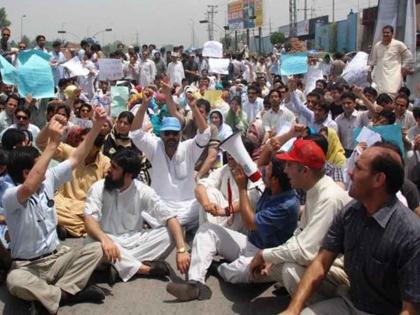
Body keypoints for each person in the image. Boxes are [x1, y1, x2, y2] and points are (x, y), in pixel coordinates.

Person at [281, 143, 420, 315]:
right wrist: (293, 309)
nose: (350, 173)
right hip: (351, 301)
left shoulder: (410, 234)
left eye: (358, 168)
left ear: (379, 179)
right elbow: (321, 262)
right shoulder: (350, 213)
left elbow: (411, 309)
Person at [2, 108, 109, 314]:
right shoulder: (12, 195)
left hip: (57, 258)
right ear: (27, 172)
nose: (46, 168)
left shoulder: (48, 178)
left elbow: (77, 157)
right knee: (15, 282)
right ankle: (68, 292)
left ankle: (53, 295)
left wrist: (96, 126)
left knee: (97, 248)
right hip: (27, 267)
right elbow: (28, 187)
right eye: (39, 166)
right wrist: (53, 143)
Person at [166, 157, 299, 301]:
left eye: (268, 170)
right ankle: (195, 283)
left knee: (239, 272)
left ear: (275, 180)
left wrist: (242, 187)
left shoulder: (286, 205)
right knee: (207, 230)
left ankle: (217, 267)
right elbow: (258, 163)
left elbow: (250, 224)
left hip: (267, 256)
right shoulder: (272, 187)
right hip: (250, 242)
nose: (263, 170)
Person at [249, 139, 351, 301]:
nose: (285, 171)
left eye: (289, 165)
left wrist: (265, 255)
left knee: (289, 270)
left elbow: (306, 251)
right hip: (321, 260)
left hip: (342, 273)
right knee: (266, 267)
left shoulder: (329, 198)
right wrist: (270, 257)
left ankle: (317, 308)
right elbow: (300, 233)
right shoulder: (314, 189)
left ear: (304, 171)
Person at [84, 149, 190, 284]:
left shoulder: (143, 191)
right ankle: (145, 269)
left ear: (128, 175)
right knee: (93, 245)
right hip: (105, 240)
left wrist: (181, 250)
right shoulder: (98, 188)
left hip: (133, 241)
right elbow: (89, 221)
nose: (108, 170)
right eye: (111, 165)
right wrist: (105, 240)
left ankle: (118, 267)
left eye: (114, 168)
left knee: (174, 232)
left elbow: (170, 217)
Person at [130, 90, 210, 229]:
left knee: (205, 201)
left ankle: (172, 227)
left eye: (175, 133)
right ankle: (176, 227)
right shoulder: (155, 146)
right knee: (143, 206)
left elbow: (205, 134)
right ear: (161, 134)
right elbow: (136, 134)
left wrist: (193, 107)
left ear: (180, 134)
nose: (171, 137)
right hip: (161, 206)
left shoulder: (188, 147)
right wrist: (144, 104)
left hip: (187, 208)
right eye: (167, 133)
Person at [36, 125, 110, 238]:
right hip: (61, 203)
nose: (81, 144)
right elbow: (41, 143)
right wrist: (49, 126)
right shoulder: (71, 152)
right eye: (81, 140)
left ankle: (61, 226)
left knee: (95, 216)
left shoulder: (105, 163)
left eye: (87, 142)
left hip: (84, 208)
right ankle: (77, 228)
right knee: (43, 206)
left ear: (97, 148)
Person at [369, 25, 413, 95]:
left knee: (392, 93)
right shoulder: (377, 45)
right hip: (380, 75)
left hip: (394, 75)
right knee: (379, 93)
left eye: (387, 32)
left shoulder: (398, 44)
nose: (385, 34)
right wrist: (369, 72)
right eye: (384, 32)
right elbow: (373, 61)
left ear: (392, 34)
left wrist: (404, 67)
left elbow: (409, 56)